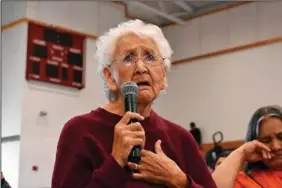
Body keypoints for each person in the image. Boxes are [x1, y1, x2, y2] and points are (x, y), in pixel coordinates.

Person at [51, 19, 216, 188]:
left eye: (150, 57)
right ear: (110, 77)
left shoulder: (181, 138)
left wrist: (179, 180)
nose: (141, 67)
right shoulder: (80, 131)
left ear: (164, 76)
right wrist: (115, 162)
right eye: (129, 58)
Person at [212, 105, 282, 187]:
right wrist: (242, 152)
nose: (276, 146)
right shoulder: (245, 180)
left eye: (281, 137)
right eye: (266, 140)